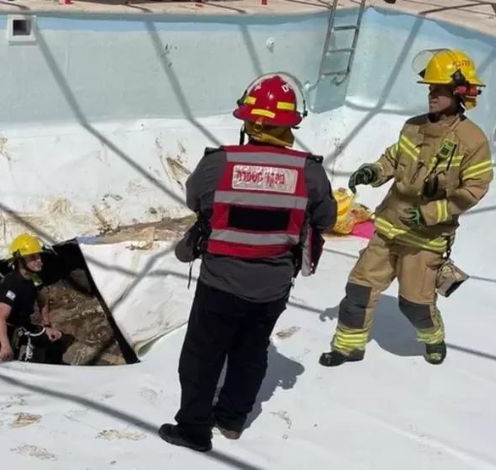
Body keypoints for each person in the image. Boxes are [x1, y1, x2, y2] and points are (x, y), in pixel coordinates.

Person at [160, 73, 337, 452]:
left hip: (219, 283)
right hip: (272, 288)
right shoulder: (310, 172)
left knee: (201, 357)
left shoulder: (218, 163)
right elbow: (326, 220)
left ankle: (193, 428)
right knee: (251, 352)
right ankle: (232, 419)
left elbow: (196, 201)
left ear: (248, 121)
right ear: (289, 125)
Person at [319, 49, 492, 367]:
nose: (431, 95)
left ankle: (433, 337)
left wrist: (430, 213)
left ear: (459, 93)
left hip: (425, 238)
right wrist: (374, 170)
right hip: (388, 226)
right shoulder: (412, 127)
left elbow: (475, 190)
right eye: (430, 89)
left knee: (415, 304)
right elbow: (394, 158)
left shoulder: (473, 141)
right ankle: (348, 347)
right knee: (359, 289)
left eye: (439, 90)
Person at [0, 233, 66, 364]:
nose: (39, 260)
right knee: (7, 362)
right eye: (33, 257)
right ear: (20, 260)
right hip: (2, 332)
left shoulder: (34, 279)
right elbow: (1, 318)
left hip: (22, 326)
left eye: (38, 256)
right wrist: (5, 346)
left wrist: (46, 324)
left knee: (55, 339)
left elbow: (42, 300)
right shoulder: (12, 284)